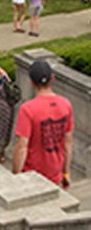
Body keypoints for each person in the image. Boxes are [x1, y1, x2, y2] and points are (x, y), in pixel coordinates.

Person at [13, 60, 73, 188]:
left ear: (32, 82)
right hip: (55, 174)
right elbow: (68, 144)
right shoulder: (66, 104)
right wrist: (66, 174)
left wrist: (15, 177)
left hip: (32, 176)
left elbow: (21, 147)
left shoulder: (27, 108)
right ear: (53, 78)